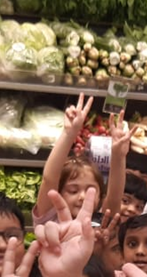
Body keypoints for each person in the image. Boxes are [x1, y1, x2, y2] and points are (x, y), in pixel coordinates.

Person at [31, 94, 134, 226]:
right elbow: (49, 178)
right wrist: (69, 133)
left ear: (100, 197)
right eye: (73, 191)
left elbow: (114, 197)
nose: (82, 197)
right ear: (58, 193)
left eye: (91, 191)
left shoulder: (102, 222)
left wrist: (118, 157)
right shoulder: (50, 218)